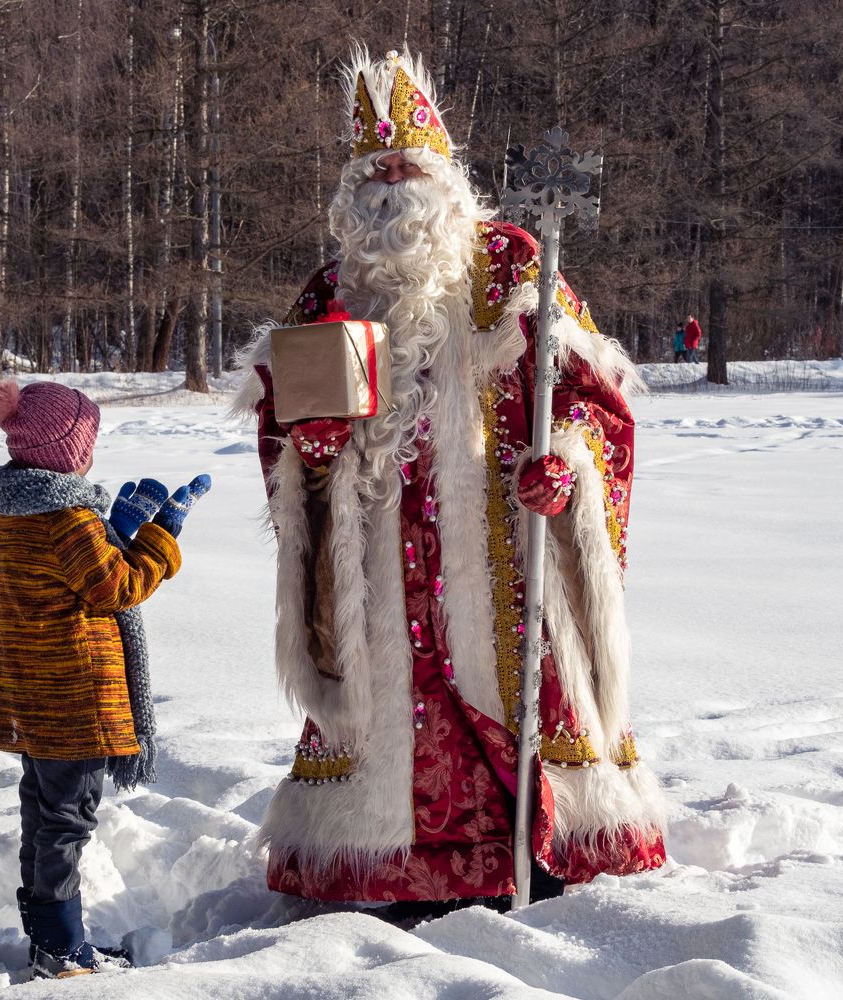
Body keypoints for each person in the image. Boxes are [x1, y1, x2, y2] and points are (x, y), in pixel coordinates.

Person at [235, 48, 665, 912]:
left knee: (515, 691)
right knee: (390, 705)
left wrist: (565, 467)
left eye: (409, 167)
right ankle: (389, 868)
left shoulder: (510, 265)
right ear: (351, 192)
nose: (392, 185)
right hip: (376, 568)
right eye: (374, 172)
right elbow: (282, 430)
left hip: (501, 555)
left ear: (445, 176)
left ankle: (539, 854)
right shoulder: (328, 295)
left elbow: (596, 404)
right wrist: (309, 451)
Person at [0, 379, 209, 978]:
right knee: (67, 819)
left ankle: (52, 938)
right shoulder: (66, 518)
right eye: (87, 441)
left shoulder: (20, 509)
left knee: (43, 812)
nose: (91, 453)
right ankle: (61, 947)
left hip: (33, 695)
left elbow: (80, 575)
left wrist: (117, 534)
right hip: (73, 699)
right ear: (66, 450)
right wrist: (162, 539)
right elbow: (116, 586)